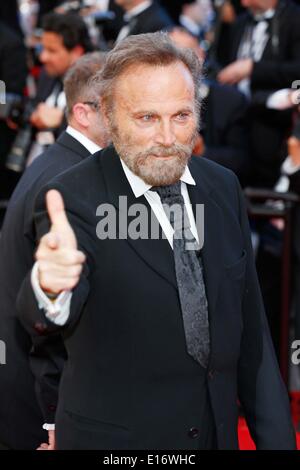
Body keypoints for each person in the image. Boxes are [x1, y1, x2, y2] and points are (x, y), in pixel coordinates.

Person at [17, 32, 296, 450]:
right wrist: (49, 286)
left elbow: (251, 334)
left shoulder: (221, 187)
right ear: (108, 115)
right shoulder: (72, 197)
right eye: (147, 118)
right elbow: (43, 317)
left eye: (181, 116)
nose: (167, 137)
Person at [0, 52, 108, 450]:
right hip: (38, 403)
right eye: (120, 106)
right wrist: (55, 418)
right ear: (83, 113)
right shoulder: (70, 180)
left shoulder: (57, 161)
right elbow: (50, 319)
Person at [217, 0, 300, 188]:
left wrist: (253, 69)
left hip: (274, 120)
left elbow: (296, 71)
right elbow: (221, 63)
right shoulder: (240, 23)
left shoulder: (294, 19)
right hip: (236, 116)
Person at [27, 11, 94, 165]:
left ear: (77, 52)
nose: (43, 57)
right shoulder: (47, 74)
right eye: (42, 49)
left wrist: (61, 120)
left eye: (52, 51)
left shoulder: (96, 85)